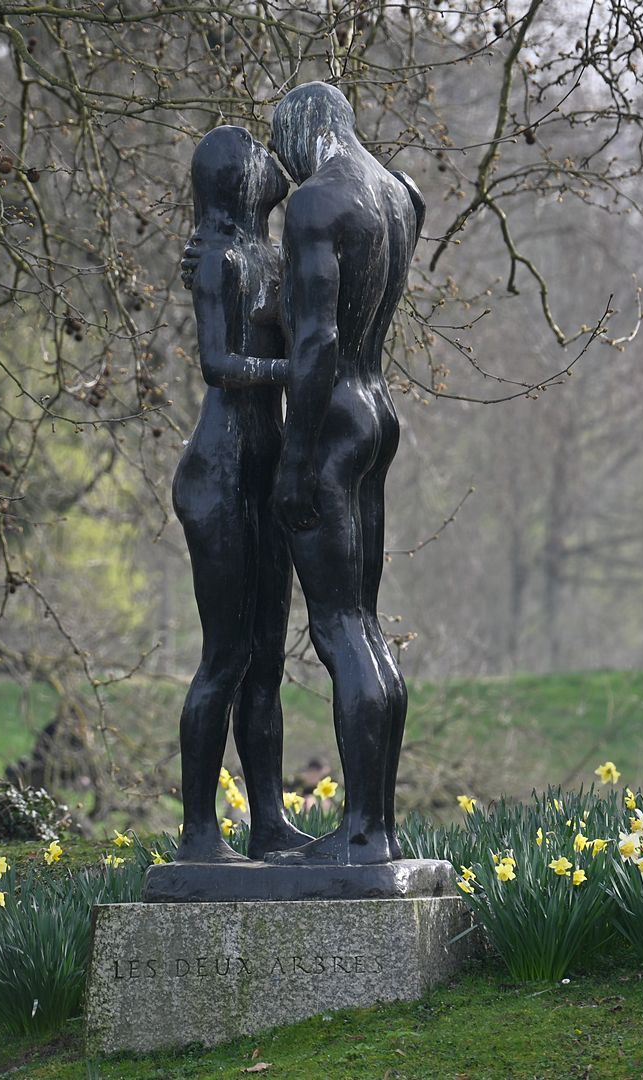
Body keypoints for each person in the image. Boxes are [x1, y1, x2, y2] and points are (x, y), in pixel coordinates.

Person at [265, 82, 425, 864]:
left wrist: (295, 460)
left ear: (304, 130)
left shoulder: (316, 202)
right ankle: (377, 826)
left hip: (329, 421)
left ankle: (361, 831)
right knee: (364, 624)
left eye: (283, 147)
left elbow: (318, 339)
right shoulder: (399, 195)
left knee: (339, 629)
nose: (285, 166)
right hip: (377, 411)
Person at [171, 126, 314, 862]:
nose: (274, 163)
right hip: (219, 472)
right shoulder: (220, 259)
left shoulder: (275, 259)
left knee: (266, 662)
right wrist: (297, 373)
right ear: (235, 177)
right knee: (224, 657)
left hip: (264, 470)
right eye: (259, 155)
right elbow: (218, 364)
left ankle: (269, 822)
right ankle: (200, 833)